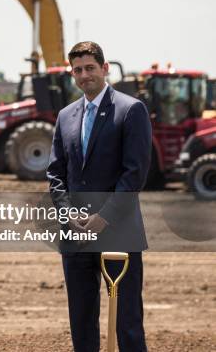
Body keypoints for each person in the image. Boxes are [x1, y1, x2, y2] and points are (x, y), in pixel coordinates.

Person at [47, 41, 151, 352]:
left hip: (118, 233)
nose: (84, 75)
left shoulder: (131, 110)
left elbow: (134, 173)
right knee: (81, 321)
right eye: (77, 70)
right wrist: (67, 215)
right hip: (75, 235)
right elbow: (55, 173)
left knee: (127, 322)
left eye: (90, 68)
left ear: (104, 69)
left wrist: (104, 217)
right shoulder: (65, 116)